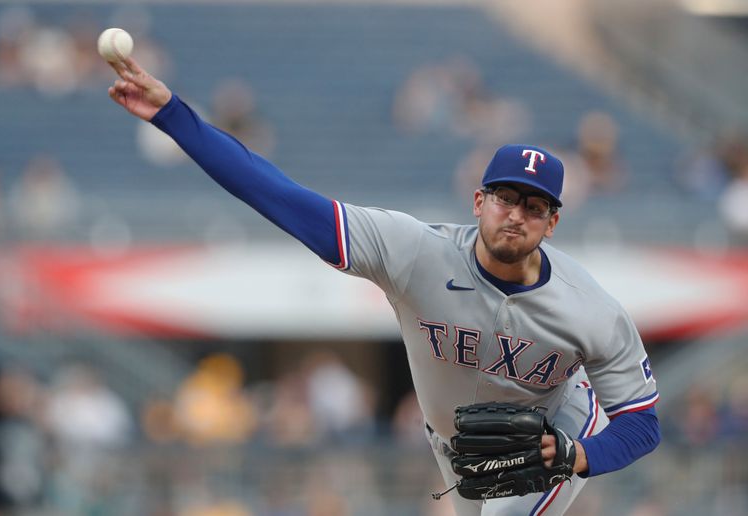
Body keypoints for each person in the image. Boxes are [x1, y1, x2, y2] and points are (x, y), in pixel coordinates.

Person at [105, 57, 661, 516]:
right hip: (452, 442)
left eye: (534, 207)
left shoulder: (588, 308)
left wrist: (577, 455)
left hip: (555, 426)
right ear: (478, 201)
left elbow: (641, 421)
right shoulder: (415, 251)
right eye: (505, 198)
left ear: (552, 223)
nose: (516, 215)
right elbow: (279, 195)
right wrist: (174, 116)